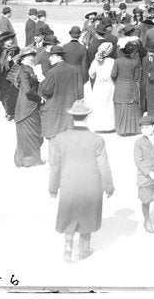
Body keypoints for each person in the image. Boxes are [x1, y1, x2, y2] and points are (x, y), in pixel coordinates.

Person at [48, 100, 114, 263]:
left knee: (69, 216)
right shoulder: (97, 140)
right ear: (87, 117)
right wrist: (109, 186)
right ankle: (84, 249)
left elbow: (55, 166)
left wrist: (53, 188)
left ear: (72, 117)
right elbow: (103, 166)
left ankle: (68, 247)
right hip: (91, 186)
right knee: (87, 215)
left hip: (69, 185)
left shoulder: (60, 139)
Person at [40, 45, 84, 143]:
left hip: (54, 108)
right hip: (69, 107)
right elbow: (78, 89)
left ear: (59, 57)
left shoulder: (52, 72)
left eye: (52, 56)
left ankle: (54, 157)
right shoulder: (73, 69)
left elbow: (46, 91)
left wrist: (41, 83)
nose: (49, 58)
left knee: (53, 136)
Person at [13, 47, 44, 167]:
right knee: (28, 132)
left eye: (32, 55)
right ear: (23, 58)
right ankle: (27, 159)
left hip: (31, 103)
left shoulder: (30, 68)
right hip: (27, 104)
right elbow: (27, 91)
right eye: (29, 55)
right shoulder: (24, 70)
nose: (31, 57)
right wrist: (39, 99)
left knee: (34, 132)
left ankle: (32, 158)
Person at [111, 40, 142, 136]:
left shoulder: (117, 61)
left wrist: (117, 82)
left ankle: (121, 130)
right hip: (131, 86)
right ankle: (132, 129)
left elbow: (113, 74)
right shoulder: (135, 62)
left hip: (120, 85)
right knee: (131, 107)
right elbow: (137, 77)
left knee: (121, 107)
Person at [86, 41, 117, 133]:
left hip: (99, 85)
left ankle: (99, 125)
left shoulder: (96, 61)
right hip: (109, 84)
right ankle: (110, 126)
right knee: (109, 104)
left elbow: (91, 74)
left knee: (99, 104)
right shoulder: (113, 62)